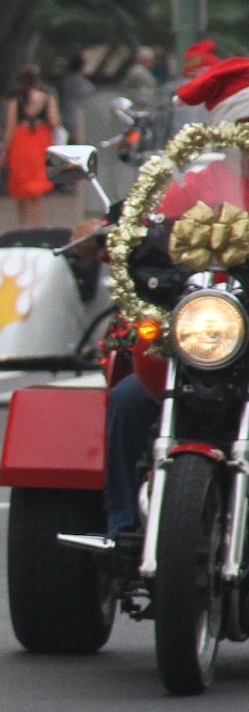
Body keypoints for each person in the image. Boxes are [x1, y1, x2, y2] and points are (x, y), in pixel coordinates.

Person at [102, 52, 249, 545]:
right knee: (127, 399)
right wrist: (111, 232)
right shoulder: (200, 184)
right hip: (205, 338)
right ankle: (122, 529)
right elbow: (145, 227)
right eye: (245, 125)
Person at [1, 63, 55, 229]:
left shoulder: (15, 101)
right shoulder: (46, 98)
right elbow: (54, 121)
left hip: (20, 141)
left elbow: (10, 127)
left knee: (20, 187)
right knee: (37, 188)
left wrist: (4, 150)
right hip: (40, 142)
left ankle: (22, 225)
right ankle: (35, 225)